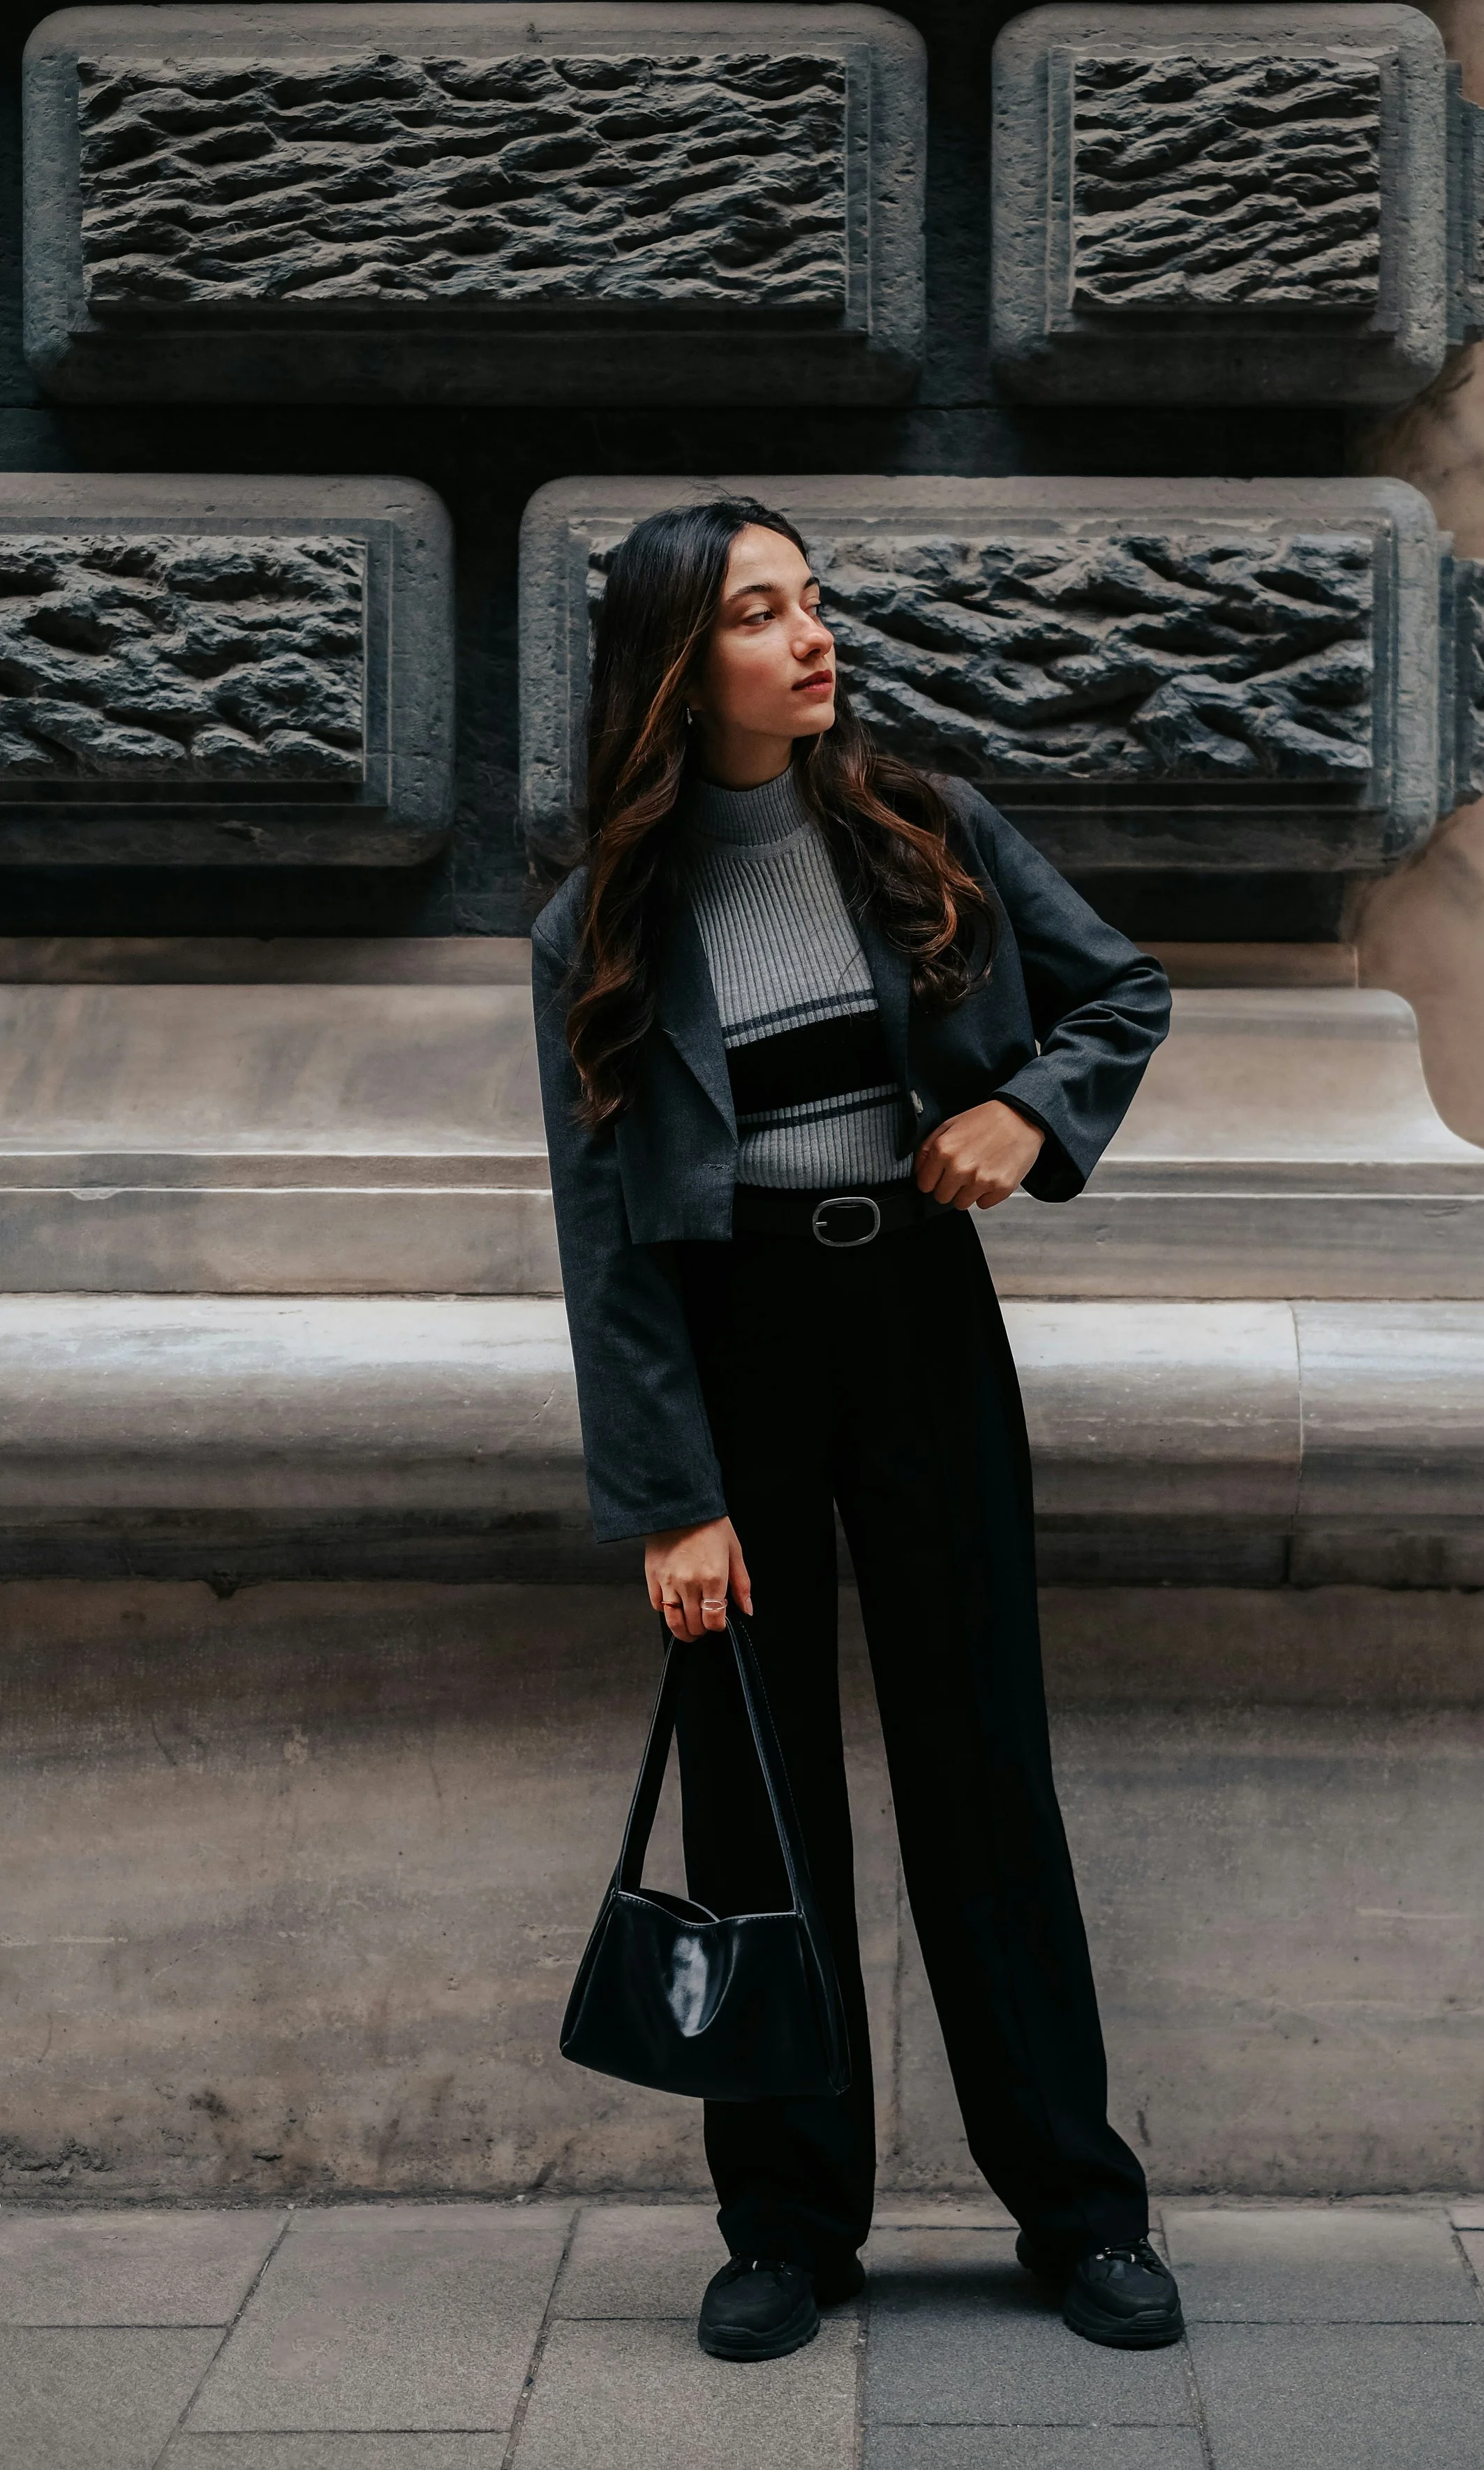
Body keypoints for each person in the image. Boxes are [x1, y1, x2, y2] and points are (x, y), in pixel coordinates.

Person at [531, 495, 1178, 2363]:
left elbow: (1121, 987)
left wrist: (1031, 1116)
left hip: (915, 1316)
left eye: (811, 599)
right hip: (732, 1350)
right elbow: (604, 1238)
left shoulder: (927, 828)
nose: (810, 635)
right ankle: (788, 2223)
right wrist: (669, 1498)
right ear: (678, 661)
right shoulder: (601, 922)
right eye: (759, 610)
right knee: (757, 1796)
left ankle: (1078, 2205)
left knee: (984, 1765)